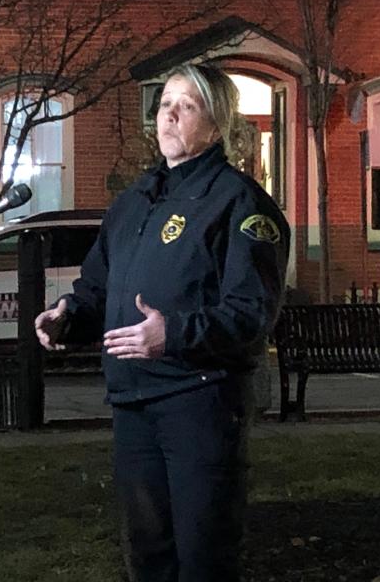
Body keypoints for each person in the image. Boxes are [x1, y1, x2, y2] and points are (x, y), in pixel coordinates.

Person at [36, 63, 289, 582]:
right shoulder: (133, 203)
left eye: (187, 106)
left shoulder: (238, 203)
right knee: (148, 557)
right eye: (164, 104)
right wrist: (70, 316)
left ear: (217, 126)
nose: (169, 115)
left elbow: (251, 313)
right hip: (133, 403)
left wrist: (172, 333)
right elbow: (97, 287)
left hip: (200, 400)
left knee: (202, 556)